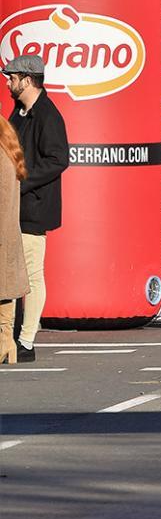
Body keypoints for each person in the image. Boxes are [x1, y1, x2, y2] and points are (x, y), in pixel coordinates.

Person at [3, 55, 68, 363]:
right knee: (11, 273)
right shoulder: (19, 112)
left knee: (31, 274)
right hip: (13, 206)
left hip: (34, 207)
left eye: (12, 78)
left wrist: (20, 183)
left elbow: (58, 159)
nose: (8, 83)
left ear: (27, 80)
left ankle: (26, 341)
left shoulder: (48, 115)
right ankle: (9, 337)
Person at [0, 114, 29, 365]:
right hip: (7, 234)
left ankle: (5, 342)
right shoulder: (8, 149)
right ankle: (6, 341)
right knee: (4, 290)